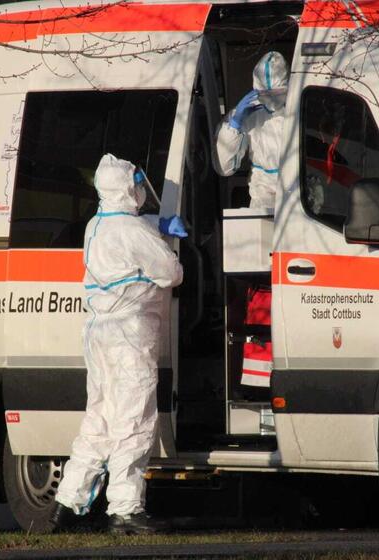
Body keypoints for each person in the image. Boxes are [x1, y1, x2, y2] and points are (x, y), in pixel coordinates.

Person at [51, 153, 184, 534]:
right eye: (137, 183)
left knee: (99, 420)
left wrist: (155, 226)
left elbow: (125, 231)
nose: (141, 189)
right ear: (127, 188)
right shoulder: (133, 230)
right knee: (134, 421)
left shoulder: (97, 224)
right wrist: (162, 235)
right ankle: (125, 510)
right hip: (130, 338)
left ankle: (67, 503)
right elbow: (171, 273)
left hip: (100, 336)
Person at [216, 51, 289, 210]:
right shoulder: (246, 114)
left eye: (277, 93)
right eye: (265, 93)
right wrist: (234, 125)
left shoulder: (299, 109)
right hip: (262, 200)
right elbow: (224, 167)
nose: (271, 99)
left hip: (297, 197)